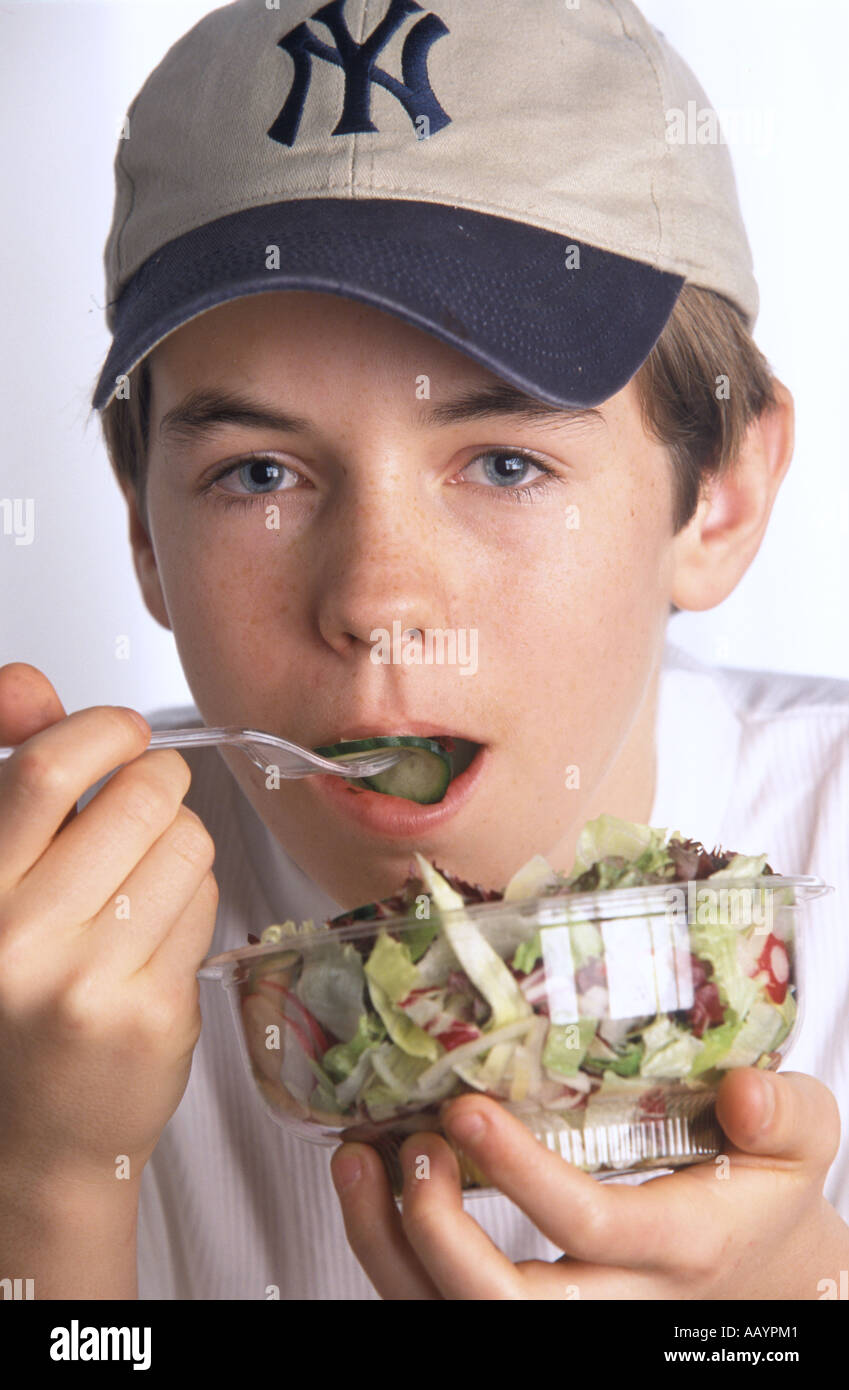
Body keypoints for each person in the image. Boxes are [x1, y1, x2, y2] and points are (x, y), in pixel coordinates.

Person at [1, 0, 847, 1300]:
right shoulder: (33, 982)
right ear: (145, 541)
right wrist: (44, 1181)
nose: (377, 601)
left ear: (719, 493)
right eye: (260, 472)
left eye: (505, 461)